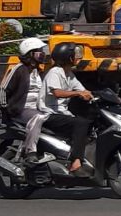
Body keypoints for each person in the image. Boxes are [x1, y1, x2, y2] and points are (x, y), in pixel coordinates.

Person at [43, 44, 94, 174]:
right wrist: (78, 94)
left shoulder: (69, 74)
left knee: (90, 122)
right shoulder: (55, 72)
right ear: (68, 58)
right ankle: (75, 162)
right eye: (75, 56)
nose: (78, 58)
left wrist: (98, 95)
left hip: (62, 113)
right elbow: (57, 93)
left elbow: (82, 90)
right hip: (48, 114)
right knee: (80, 123)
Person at [0, 37, 51, 162]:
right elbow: (3, 90)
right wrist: (7, 109)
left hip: (38, 108)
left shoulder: (39, 71)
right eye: (39, 51)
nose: (42, 54)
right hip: (22, 109)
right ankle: (30, 151)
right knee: (38, 117)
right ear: (30, 54)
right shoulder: (19, 69)